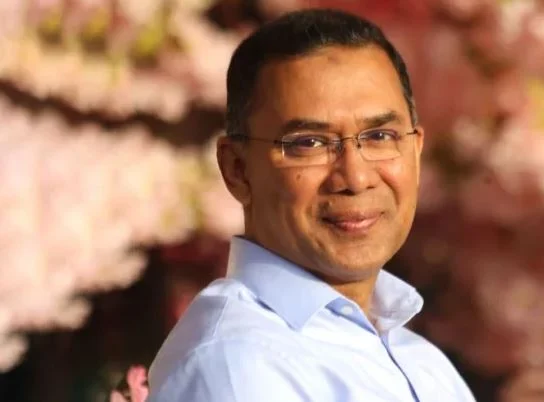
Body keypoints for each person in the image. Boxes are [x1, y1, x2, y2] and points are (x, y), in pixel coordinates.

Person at [146, 8, 477, 402]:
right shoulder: (236, 366)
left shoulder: (422, 363)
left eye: (379, 136)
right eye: (310, 143)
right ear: (237, 170)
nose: (355, 178)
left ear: (416, 152)